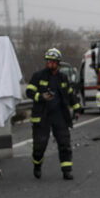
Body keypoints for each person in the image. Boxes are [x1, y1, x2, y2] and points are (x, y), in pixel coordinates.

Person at [26, 48, 80, 180]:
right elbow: (29, 92)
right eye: (48, 61)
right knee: (39, 145)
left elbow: (70, 94)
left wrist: (76, 108)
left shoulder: (63, 78)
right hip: (42, 115)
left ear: (58, 63)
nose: (49, 64)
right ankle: (37, 164)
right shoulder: (38, 76)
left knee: (64, 143)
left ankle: (67, 170)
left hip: (59, 116)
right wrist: (41, 96)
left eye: (52, 62)